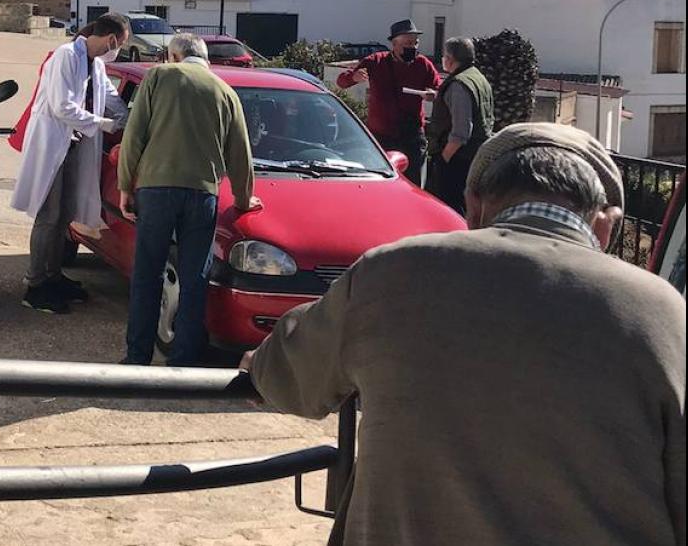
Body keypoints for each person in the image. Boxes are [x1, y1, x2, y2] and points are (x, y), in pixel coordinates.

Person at [241, 123, 686, 546]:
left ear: (474, 205)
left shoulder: (391, 273)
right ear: (607, 224)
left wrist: (257, 365)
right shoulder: (662, 312)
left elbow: (289, 376)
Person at [118, 33, 260, 366]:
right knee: (195, 277)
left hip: (156, 188)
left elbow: (134, 135)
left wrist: (126, 186)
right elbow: (240, 152)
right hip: (202, 193)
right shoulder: (225, 92)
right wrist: (243, 198)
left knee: (148, 272)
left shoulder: (158, 77)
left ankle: (137, 357)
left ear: (175, 55)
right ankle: (183, 360)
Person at [11, 13, 130, 314]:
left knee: (65, 213)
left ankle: (53, 276)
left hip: (75, 145)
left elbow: (111, 97)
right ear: (111, 39)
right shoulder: (65, 56)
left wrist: (130, 118)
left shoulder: (97, 64)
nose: (118, 51)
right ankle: (35, 284)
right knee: (48, 215)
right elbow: (61, 105)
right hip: (53, 143)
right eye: (120, 44)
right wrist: (102, 124)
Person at [336, 19, 440, 185]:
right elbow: (341, 82)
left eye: (415, 43)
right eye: (408, 43)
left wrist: (433, 94)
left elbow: (439, 89)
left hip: (412, 135)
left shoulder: (423, 64)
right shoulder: (376, 61)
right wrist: (353, 77)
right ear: (395, 44)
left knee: (413, 184)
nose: (412, 47)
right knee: (381, 182)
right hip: (382, 136)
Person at [426, 36, 494, 213]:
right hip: (475, 155)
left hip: (456, 160)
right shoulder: (478, 77)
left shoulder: (458, 85)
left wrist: (443, 159)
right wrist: (439, 98)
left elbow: (461, 132)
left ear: (449, 58)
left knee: (448, 211)